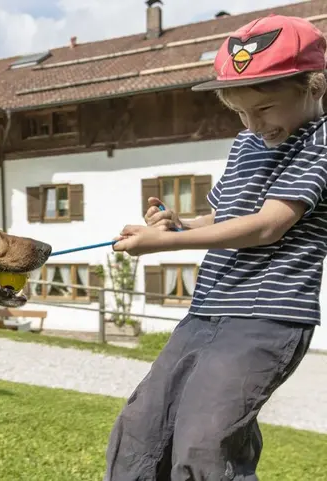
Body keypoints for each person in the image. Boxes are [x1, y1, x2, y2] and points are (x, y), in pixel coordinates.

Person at [103, 14, 327, 481]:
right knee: (140, 431)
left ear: (313, 86)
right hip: (208, 307)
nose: (252, 124)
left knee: (206, 442)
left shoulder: (321, 141)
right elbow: (228, 218)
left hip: (265, 316)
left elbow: (268, 226)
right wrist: (180, 226)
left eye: (264, 109)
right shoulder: (247, 143)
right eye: (240, 113)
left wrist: (164, 245)